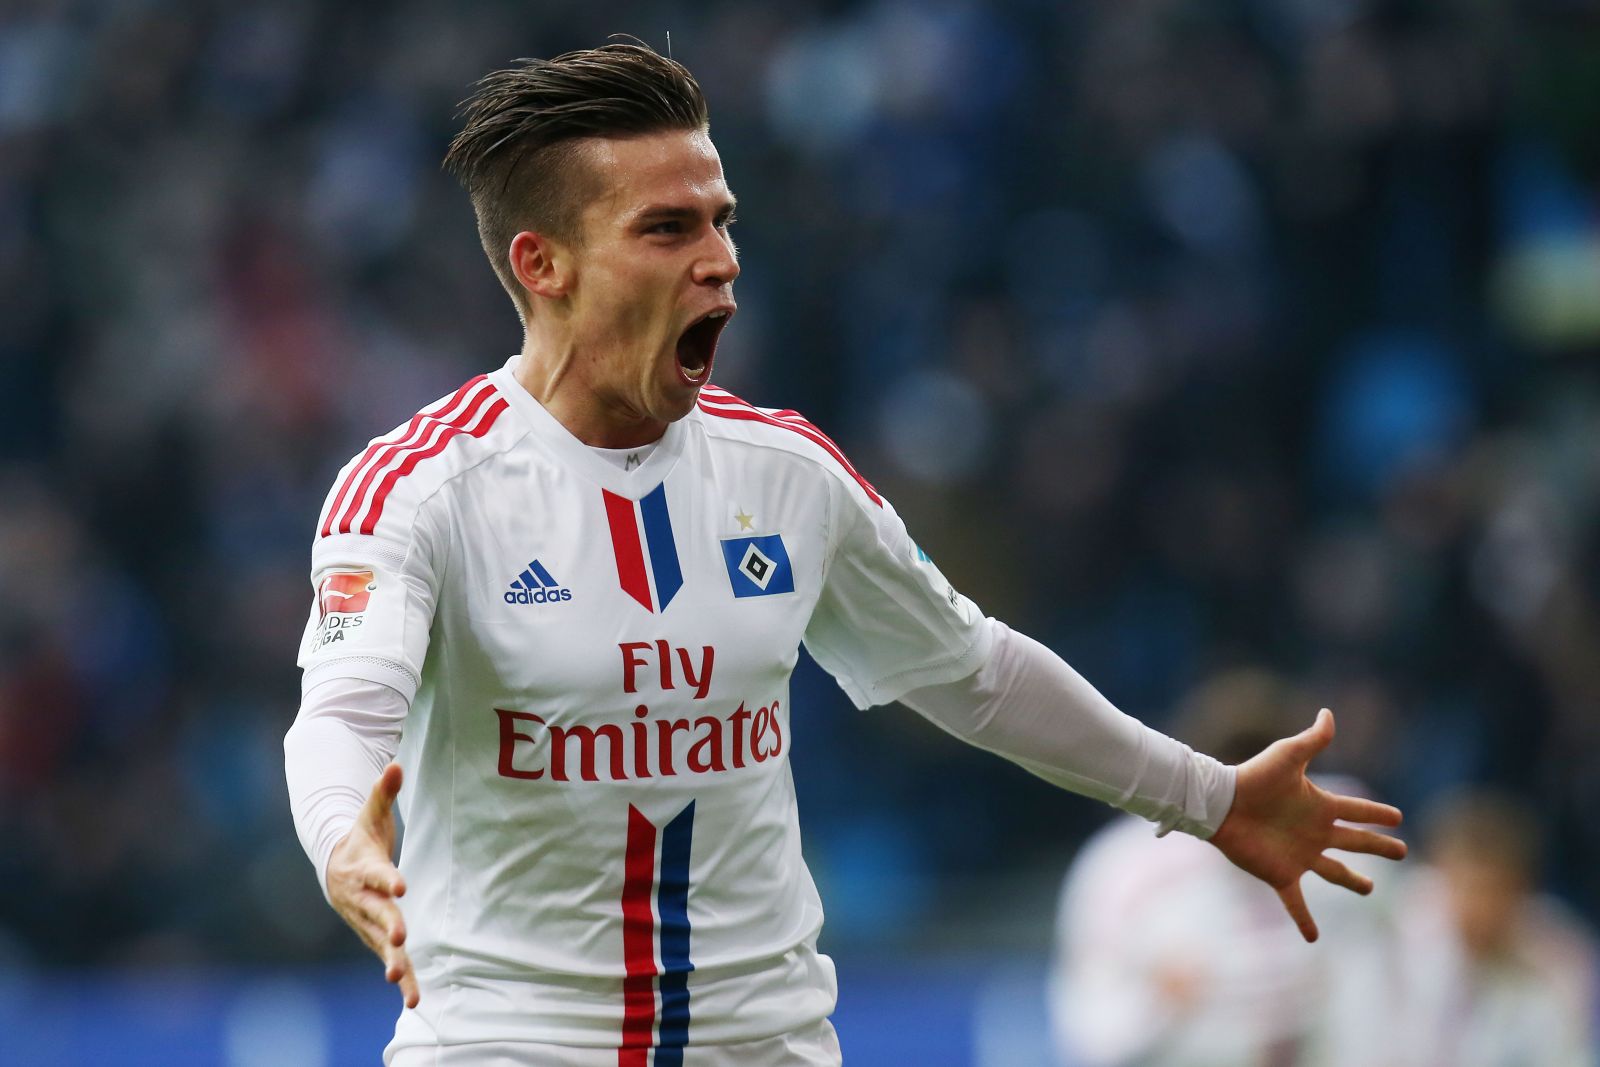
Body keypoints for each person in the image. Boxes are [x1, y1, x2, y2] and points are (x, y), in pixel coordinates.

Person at [282, 42, 1406, 1066]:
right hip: (507, 1045)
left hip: (764, 1045)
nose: (721, 261)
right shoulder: (419, 489)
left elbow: (974, 671)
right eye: (668, 229)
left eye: (722, 221)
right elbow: (340, 715)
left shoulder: (788, 474)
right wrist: (344, 842)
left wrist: (1210, 796)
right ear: (544, 264)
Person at [1048, 670, 1408, 1067]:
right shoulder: (1125, 868)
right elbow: (1088, 1029)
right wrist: (1157, 1005)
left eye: (1269, 775)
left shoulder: (1348, 833)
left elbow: (1414, 962)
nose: (1252, 801)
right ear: (1196, 772)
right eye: (1232, 776)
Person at [1390, 791, 1597, 1067]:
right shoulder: (1391, 930)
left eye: (1493, 891)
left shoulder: (1560, 963)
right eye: (1468, 887)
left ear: (1522, 890)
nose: (1480, 907)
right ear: (1441, 874)